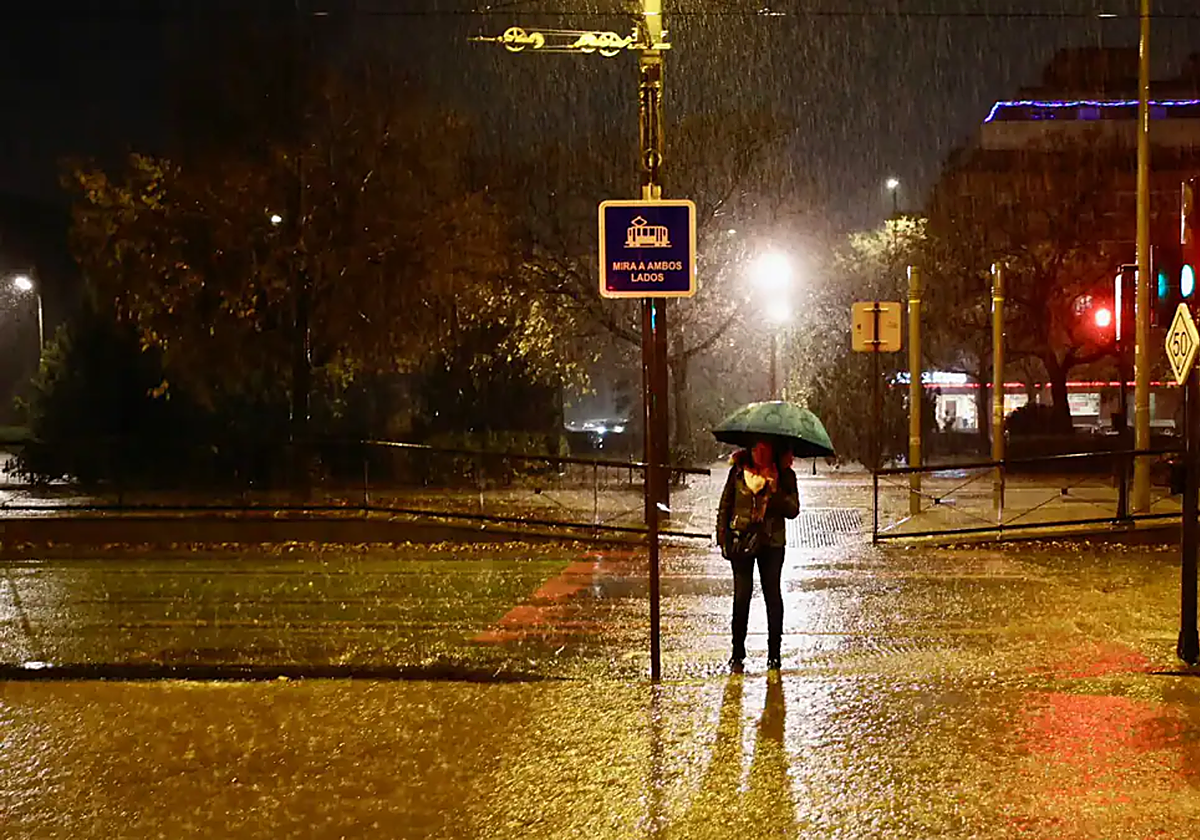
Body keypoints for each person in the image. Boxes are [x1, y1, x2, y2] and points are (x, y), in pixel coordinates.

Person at [716, 438, 800, 673]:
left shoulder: (784, 475)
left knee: (772, 596)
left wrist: (775, 493)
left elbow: (793, 510)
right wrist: (722, 536)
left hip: (772, 543)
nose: (760, 453)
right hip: (741, 540)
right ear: (750, 450)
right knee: (741, 597)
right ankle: (737, 653)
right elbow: (725, 505)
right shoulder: (738, 473)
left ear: (772, 451)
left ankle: (774, 654)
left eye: (765, 449)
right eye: (755, 449)